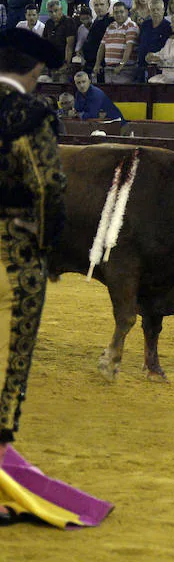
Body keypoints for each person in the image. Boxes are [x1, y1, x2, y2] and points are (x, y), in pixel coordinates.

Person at [0, 28, 103, 527]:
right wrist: (45, 242)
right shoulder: (29, 115)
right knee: (8, 359)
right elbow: (48, 188)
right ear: (36, 72)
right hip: (10, 256)